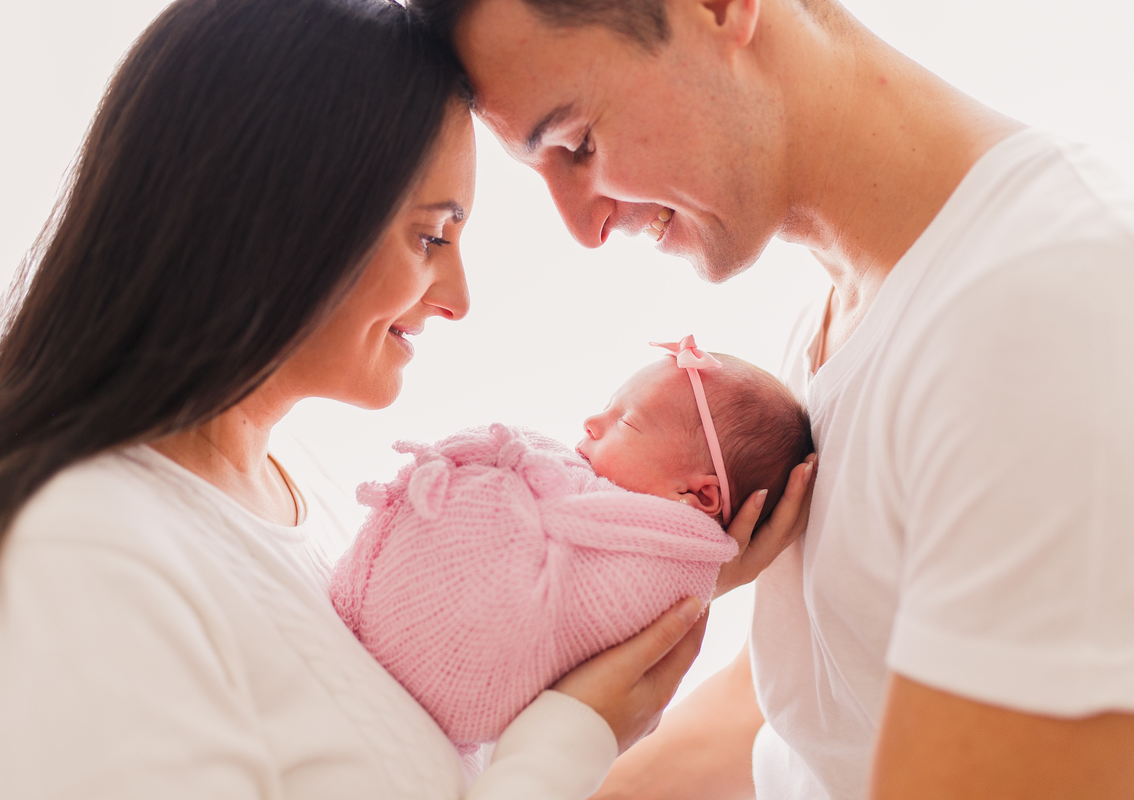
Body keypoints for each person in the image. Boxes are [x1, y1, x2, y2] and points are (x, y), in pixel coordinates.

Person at [0, 1, 816, 797]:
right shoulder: (73, 553)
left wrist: (656, 576)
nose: (458, 297)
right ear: (272, 221)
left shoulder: (297, 502)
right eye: (430, 235)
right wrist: (568, 743)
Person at [408, 0, 1134, 797]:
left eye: (579, 142)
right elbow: (798, 711)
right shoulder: (833, 330)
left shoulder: (1046, 311)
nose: (583, 225)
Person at [330, 338, 811, 759]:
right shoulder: (627, 525)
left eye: (626, 421)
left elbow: (568, 618)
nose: (592, 421)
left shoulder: (657, 561)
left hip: (453, 674)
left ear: (696, 496)